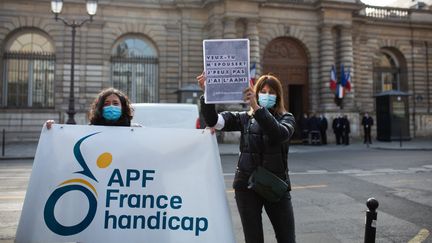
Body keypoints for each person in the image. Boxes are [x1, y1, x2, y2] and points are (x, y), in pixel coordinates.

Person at [197, 73, 296, 243]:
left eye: (271, 92)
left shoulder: (287, 118)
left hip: (276, 186)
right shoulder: (244, 118)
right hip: (247, 186)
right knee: (253, 239)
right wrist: (208, 93)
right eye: (263, 91)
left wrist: (257, 109)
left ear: (278, 96)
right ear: (256, 94)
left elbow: (279, 134)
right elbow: (214, 121)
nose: (266, 95)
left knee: (286, 237)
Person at [45, 87, 135, 129]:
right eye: (106, 103)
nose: (111, 106)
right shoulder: (88, 131)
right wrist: (52, 129)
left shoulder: (135, 131)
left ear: (123, 107)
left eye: (115, 103)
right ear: (100, 107)